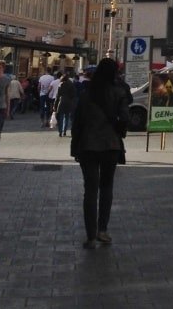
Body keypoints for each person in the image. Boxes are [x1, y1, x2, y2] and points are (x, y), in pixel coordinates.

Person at [70, 57, 130, 249]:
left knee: (90, 190)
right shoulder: (118, 92)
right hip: (111, 146)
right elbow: (125, 119)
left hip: (88, 146)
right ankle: (102, 230)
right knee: (106, 188)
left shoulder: (87, 94)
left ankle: (90, 235)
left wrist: (75, 146)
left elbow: (77, 122)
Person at [54, 72, 78, 137]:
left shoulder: (60, 85)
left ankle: (60, 131)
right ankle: (65, 131)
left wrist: (55, 105)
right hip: (69, 103)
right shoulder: (71, 85)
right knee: (66, 117)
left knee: (60, 117)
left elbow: (57, 96)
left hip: (61, 102)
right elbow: (74, 95)